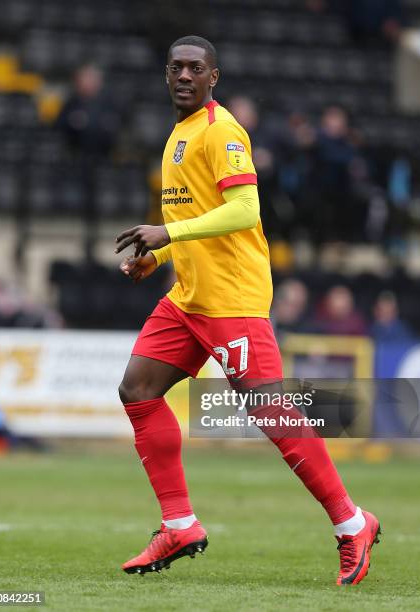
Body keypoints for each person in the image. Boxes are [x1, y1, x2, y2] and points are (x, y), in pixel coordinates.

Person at [115, 36, 380, 584]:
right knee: (137, 390)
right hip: (189, 297)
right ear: (166, 75)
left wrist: (166, 231)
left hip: (232, 300)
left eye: (196, 68)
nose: (184, 75)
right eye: (176, 67)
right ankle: (179, 523)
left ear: (215, 77)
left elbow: (243, 209)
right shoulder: (178, 136)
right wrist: (160, 254)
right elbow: (200, 213)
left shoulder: (222, 130)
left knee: (272, 413)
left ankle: (351, 522)